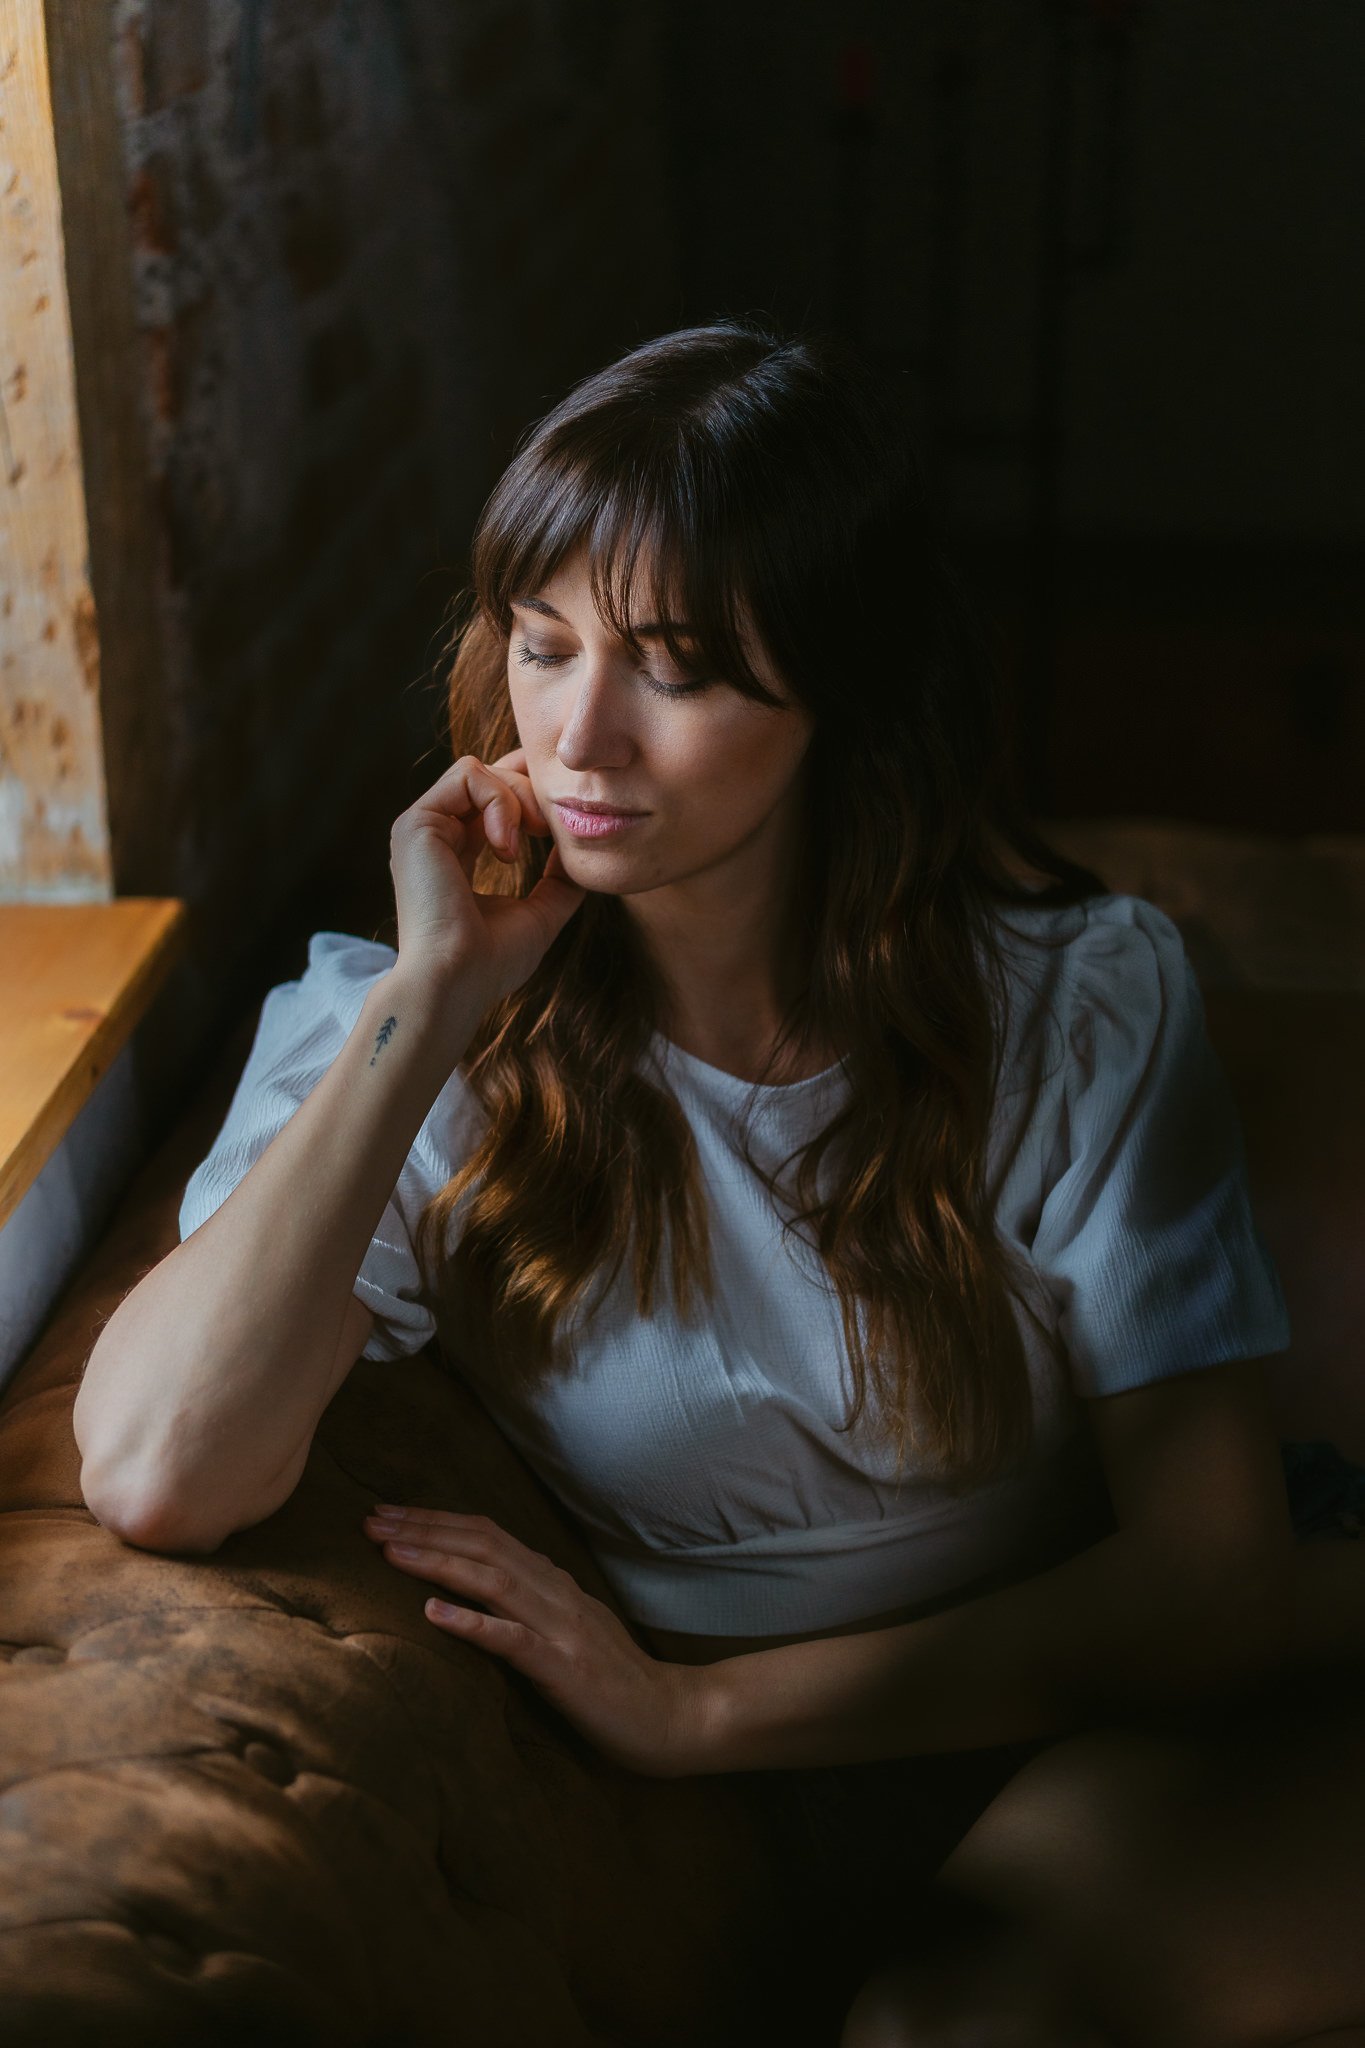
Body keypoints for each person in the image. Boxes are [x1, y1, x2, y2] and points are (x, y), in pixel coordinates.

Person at [74, 319, 1365, 2048]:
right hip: (757, 1788)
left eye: (674, 668)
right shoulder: (397, 1025)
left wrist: (691, 1716)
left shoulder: (1074, 999)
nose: (579, 733)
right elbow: (163, 1470)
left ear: (840, 691)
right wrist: (437, 999)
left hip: (1107, 1712)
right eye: (540, 647)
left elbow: (1208, 1586)